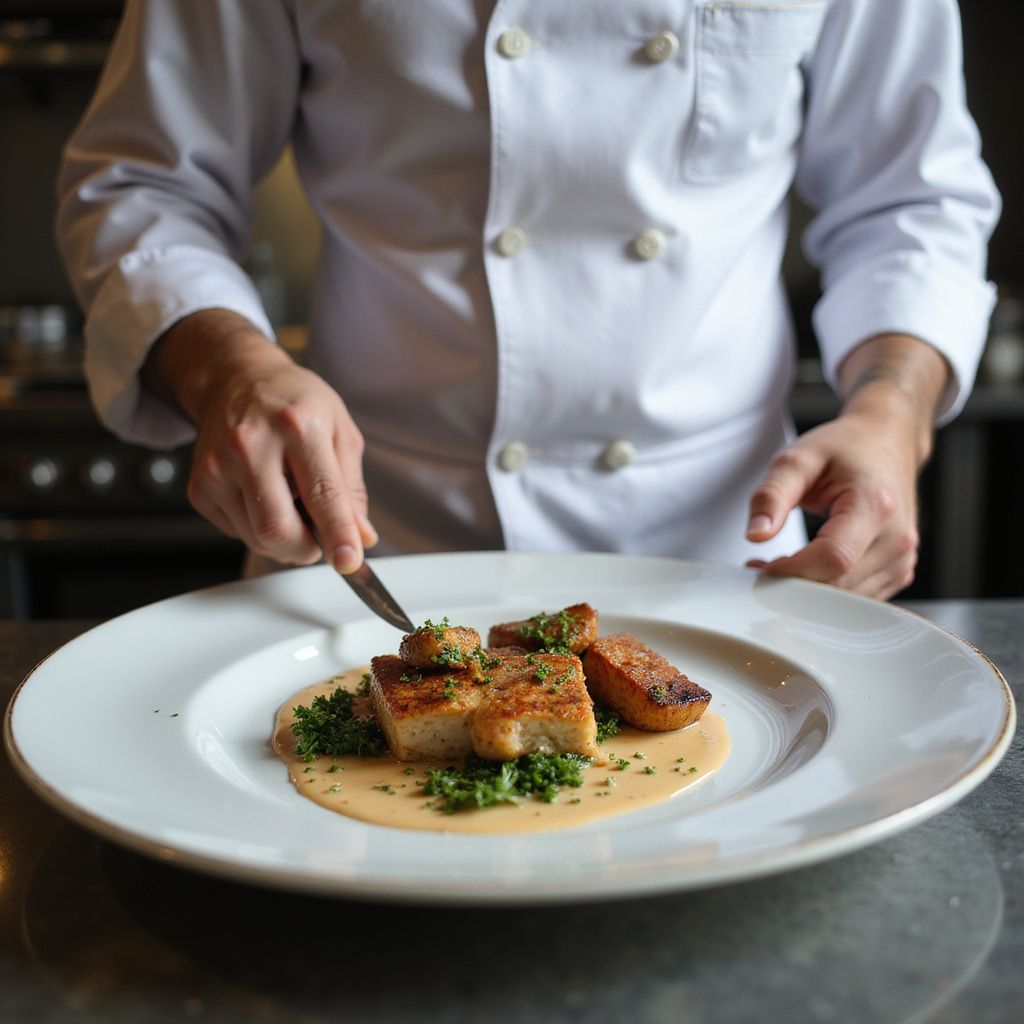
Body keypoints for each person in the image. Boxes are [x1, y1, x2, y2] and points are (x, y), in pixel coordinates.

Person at [57, 1, 999, 600]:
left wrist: (893, 413)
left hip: (726, 563)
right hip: (374, 551)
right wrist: (231, 371)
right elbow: (146, 184)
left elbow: (912, 200)